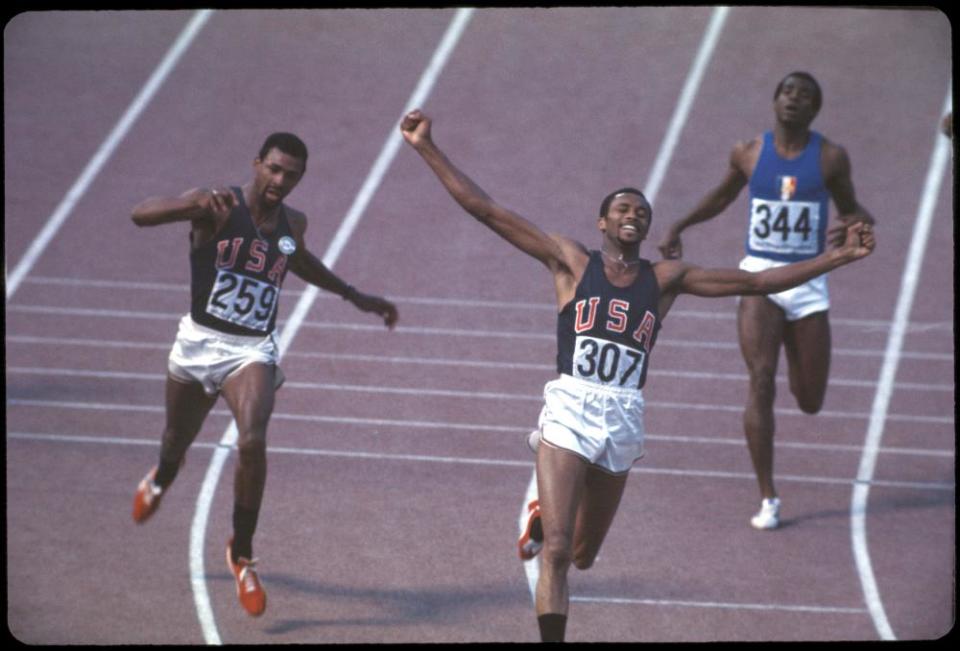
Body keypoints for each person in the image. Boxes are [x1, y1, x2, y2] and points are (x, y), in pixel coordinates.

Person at [399, 108, 874, 643]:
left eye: (642, 211)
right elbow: (485, 209)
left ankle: (541, 517)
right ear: (602, 223)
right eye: (622, 207)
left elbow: (760, 283)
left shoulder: (666, 279)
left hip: (624, 414)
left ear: (646, 228)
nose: (634, 214)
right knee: (555, 553)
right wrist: (426, 147)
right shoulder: (569, 263)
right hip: (570, 407)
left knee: (582, 555)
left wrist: (837, 258)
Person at [129, 132, 398, 617]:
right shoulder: (215, 205)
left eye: (291, 174)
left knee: (251, 439)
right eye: (273, 169)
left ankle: (242, 552)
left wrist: (353, 295)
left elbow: (300, 260)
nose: (280, 180)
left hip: (251, 348)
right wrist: (187, 205)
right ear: (256, 164)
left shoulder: (292, 223)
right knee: (175, 441)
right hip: (197, 344)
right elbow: (140, 214)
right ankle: (162, 478)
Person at [658, 71, 875, 531]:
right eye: (788, 92)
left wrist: (855, 223)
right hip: (758, 277)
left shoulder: (831, 158)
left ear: (816, 109)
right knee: (760, 380)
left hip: (808, 281)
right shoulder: (749, 153)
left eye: (806, 96)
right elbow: (721, 196)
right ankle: (768, 495)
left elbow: (854, 209)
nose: (795, 100)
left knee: (810, 399)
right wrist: (680, 224)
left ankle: (796, 390)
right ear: (774, 100)